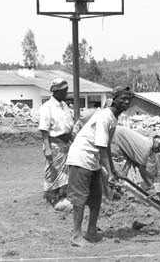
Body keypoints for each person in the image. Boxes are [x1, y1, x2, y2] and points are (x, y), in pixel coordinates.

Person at [66, 86, 133, 247]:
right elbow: (101, 147)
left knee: (96, 198)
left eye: (128, 99)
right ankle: (76, 235)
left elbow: (107, 146)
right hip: (81, 158)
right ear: (114, 99)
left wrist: (113, 169)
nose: (126, 102)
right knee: (80, 199)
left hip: (92, 161)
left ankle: (91, 231)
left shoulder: (113, 118)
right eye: (123, 98)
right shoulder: (104, 116)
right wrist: (109, 174)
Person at [38, 78, 74, 210]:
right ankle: (51, 198)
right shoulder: (47, 107)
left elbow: (68, 125)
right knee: (53, 171)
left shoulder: (64, 106)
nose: (66, 93)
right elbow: (44, 129)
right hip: (54, 144)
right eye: (64, 91)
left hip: (66, 142)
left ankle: (62, 196)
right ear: (56, 92)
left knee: (65, 172)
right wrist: (47, 148)